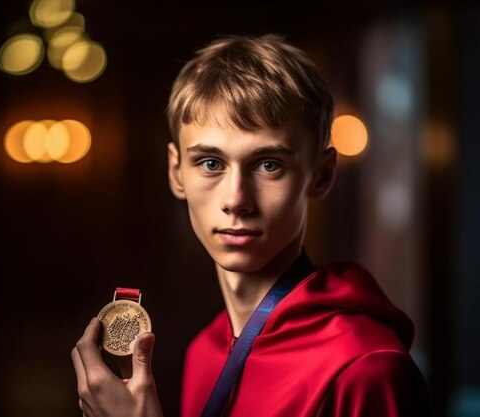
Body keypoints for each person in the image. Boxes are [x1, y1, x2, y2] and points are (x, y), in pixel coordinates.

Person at [71, 33, 431, 417]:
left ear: (321, 175)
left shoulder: (364, 368)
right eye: (211, 163)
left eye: (268, 164)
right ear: (176, 172)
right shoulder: (204, 351)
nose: (236, 200)